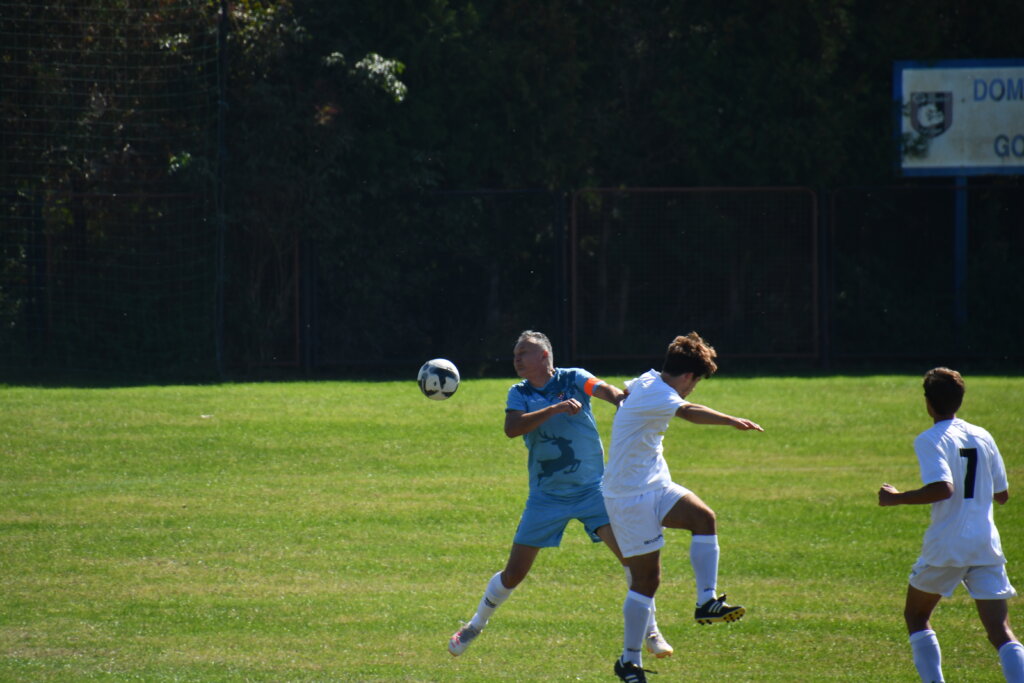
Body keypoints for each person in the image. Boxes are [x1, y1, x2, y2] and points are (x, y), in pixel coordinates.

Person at [448, 330, 674, 659]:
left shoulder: (573, 378)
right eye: (515, 354)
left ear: (544, 356)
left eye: (523, 352)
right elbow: (512, 429)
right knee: (514, 573)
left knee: (632, 560)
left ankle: (651, 632)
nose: (517, 358)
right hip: (546, 498)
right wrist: (553, 409)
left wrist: (620, 399)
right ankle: (474, 625)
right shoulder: (519, 392)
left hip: (594, 490)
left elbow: (601, 388)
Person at [602, 332, 763, 683]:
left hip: (655, 485)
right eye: (697, 382)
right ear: (689, 376)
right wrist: (731, 419)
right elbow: (689, 412)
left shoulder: (648, 380)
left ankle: (706, 601)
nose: (693, 389)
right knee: (647, 580)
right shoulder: (662, 392)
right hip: (627, 497)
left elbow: (628, 391)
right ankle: (628, 661)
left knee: (703, 517)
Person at [878, 367, 1024, 683]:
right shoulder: (983, 435)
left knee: (916, 616)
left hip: (947, 545)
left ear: (928, 403)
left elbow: (942, 488)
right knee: (1000, 630)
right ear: (960, 400)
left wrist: (896, 497)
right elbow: (1002, 495)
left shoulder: (930, 439)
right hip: (986, 544)